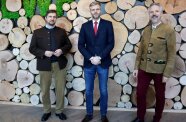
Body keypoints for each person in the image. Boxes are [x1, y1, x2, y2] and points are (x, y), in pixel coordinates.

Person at [132, 3, 176, 122]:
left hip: (160, 70)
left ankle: (157, 118)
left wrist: (167, 74)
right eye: (151, 12)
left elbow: (172, 54)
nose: (154, 14)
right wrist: (136, 67)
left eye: (157, 11)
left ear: (161, 13)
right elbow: (140, 50)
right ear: (149, 14)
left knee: (160, 96)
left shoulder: (168, 30)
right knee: (140, 94)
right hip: (144, 68)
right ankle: (140, 117)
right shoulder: (146, 30)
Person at [29, 10, 72, 121]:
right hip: (44, 64)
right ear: (45, 18)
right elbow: (32, 48)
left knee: (60, 89)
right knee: (45, 90)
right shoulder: (37, 32)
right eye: (50, 16)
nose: (52, 18)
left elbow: (68, 45)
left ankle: (59, 111)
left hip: (59, 64)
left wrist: (61, 51)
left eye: (54, 17)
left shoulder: (61, 31)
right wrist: (43, 53)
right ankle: (47, 111)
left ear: (56, 18)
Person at [78, 1, 114, 122]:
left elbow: (111, 43)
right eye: (93, 9)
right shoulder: (85, 26)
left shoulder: (108, 24)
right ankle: (89, 113)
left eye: (97, 9)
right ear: (90, 11)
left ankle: (103, 115)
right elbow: (80, 45)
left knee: (103, 90)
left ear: (100, 10)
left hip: (103, 63)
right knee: (88, 90)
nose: (95, 11)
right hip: (89, 63)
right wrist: (90, 58)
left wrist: (100, 57)